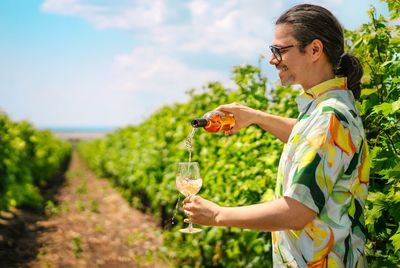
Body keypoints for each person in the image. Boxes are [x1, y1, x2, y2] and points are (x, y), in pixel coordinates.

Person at [183, 4, 370, 267]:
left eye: (279, 50)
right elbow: (308, 138)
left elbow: (295, 212)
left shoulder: (330, 118)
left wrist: (217, 215)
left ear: (315, 50)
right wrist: (256, 117)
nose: (273, 59)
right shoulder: (325, 109)